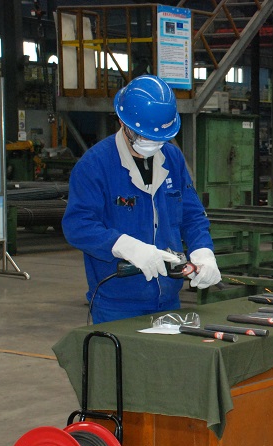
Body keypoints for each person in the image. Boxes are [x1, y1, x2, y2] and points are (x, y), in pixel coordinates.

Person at [63, 75, 221, 324]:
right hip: (116, 304)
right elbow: (77, 226)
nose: (152, 144)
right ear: (122, 122)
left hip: (169, 299)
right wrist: (126, 246)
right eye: (143, 136)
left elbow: (192, 214)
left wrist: (203, 251)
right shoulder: (95, 165)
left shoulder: (172, 158)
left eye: (160, 138)